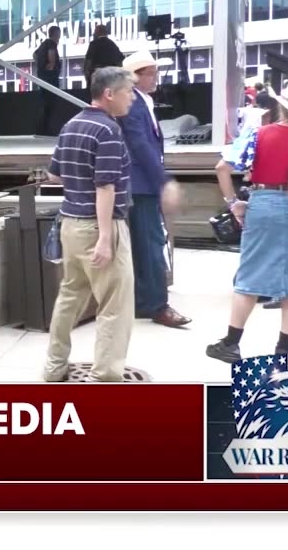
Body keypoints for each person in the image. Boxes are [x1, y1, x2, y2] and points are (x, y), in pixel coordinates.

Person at [206, 78, 288, 364]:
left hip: (264, 204)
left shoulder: (257, 134)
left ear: (282, 106)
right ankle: (283, 349)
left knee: (250, 277)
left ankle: (231, 343)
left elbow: (222, 167)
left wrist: (235, 204)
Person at [42, 65, 136, 383]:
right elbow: (105, 186)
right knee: (114, 306)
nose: (132, 98)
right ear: (109, 94)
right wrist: (106, 238)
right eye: (128, 91)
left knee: (69, 297)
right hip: (100, 227)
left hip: (70, 225)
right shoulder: (108, 130)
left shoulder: (72, 124)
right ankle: (105, 379)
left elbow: (54, 174)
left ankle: (54, 366)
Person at [117, 51, 189, 328]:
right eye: (151, 73)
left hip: (143, 182)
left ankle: (144, 300)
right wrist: (163, 180)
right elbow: (140, 145)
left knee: (145, 244)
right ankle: (156, 305)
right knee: (150, 244)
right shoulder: (133, 103)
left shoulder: (141, 101)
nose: (155, 78)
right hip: (141, 184)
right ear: (136, 76)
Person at [33, 26, 63, 136]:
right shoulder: (51, 43)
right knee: (51, 103)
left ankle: (42, 130)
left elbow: (35, 54)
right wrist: (51, 65)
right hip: (50, 78)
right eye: (59, 34)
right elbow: (51, 54)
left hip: (43, 77)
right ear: (56, 34)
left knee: (46, 104)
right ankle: (46, 130)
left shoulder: (43, 43)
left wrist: (40, 66)